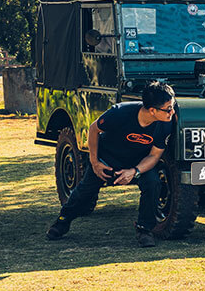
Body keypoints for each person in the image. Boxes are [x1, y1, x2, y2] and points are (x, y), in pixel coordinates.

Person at [46, 81, 175, 247]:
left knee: (153, 183)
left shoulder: (165, 122)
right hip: (107, 161)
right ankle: (62, 221)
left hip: (137, 163)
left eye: (172, 106)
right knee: (84, 192)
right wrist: (95, 162)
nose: (172, 111)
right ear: (152, 110)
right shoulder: (120, 113)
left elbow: (154, 155)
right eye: (168, 108)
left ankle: (144, 229)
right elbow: (94, 130)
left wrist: (134, 171)